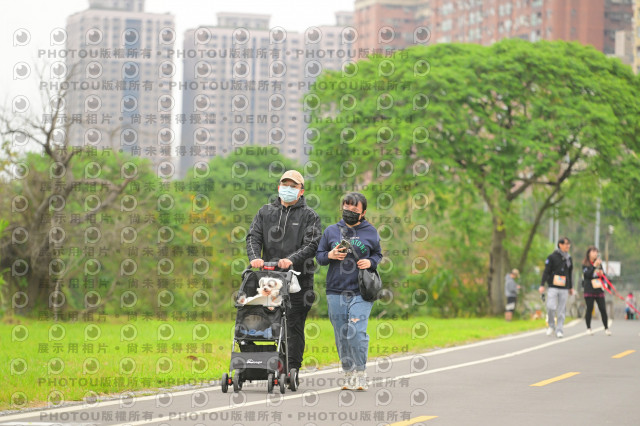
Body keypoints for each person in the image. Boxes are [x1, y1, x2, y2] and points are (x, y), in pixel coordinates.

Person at [246, 170, 322, 385]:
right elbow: (253, 236)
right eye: (285, 184)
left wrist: (291, 260)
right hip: (268, 280)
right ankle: (263, 365)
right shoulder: (265, 212)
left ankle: (291, 369)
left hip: (299, 280)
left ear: (301, 191)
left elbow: (312, 244)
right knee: (263, 322)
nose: (288, 189)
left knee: (293, 325)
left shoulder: (309, 216)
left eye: (293, 186)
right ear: (279, 187)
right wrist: (255, 258)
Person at [316, 192, 383, 391]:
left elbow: (378, 254)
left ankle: (361, 372)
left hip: (361, 291)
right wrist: (330, 254)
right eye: (347, 207)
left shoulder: (371, 231)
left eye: (354, 208)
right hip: (335, 289)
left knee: (356, 331)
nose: (349, 211)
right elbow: (320, 257)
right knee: (341, 334)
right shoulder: (331, 231)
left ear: (363, 212)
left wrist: (370, 262)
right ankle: (348, 372)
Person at [539, 237, 574, 338]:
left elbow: (570, 273)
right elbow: (546, 271)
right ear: (560, 244)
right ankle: (551, 325)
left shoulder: (569, 258)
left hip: (564, 287)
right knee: (551, 307)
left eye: (569, 244)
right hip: (553, 286)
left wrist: (571, 287)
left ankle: (559, 329)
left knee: (561, 309)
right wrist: (542, 284)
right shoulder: (552, 257)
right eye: (566, 244)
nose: (568, 246)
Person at [582, 246, 611, 335]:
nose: (595, 254)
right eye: (593, 252)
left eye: (596, 252)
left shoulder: (599, 264)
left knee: (603, 309)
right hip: (589, 289)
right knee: (589, 308)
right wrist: (594, 266)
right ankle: (588, 328)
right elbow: (587, 275)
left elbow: (603, 275)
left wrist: (602, 274)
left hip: (598, 289)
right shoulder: (585, 264)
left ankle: (606, 328)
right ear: (589, 253)